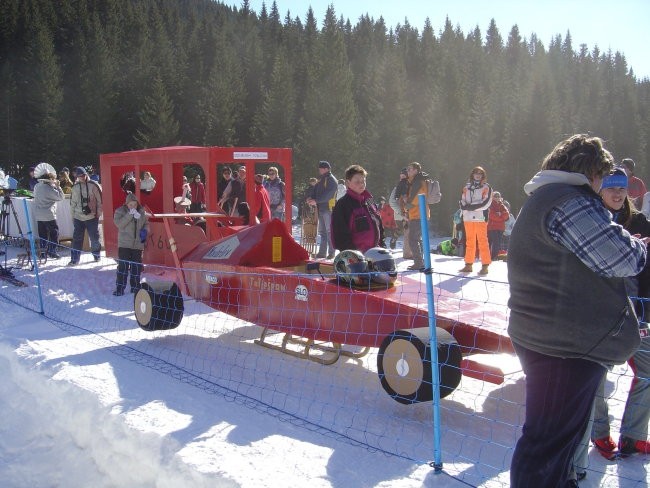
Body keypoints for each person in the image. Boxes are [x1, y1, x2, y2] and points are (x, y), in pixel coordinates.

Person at [507, 134, 647, 488]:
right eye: (602, 176)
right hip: (564, 347)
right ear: (590, 172)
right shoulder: (570, 201)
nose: (603, 185)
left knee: (552, 441)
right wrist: (638, 246)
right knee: (547, 444)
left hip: (548, 338)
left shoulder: (545, 197)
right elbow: (621, 257)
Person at [590, 167, 650, 456]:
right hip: (599, 316)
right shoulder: (591, 220)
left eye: (622, 189)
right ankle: (599, 433)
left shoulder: (639, 221)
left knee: (648, 372)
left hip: (637, 313)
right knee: (596, 376)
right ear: (599, 190)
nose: (617, 193)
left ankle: (633, 435)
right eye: (611, 188)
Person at [331, 164, 385, 253]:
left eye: (363, 181)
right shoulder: (343, 204)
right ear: (348, 183)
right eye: (357, 181)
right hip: (355, 258)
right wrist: (354, 255)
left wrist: (382, 245)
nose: (361, 184)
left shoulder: (369, 200)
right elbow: (340, 234)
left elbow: (379, 224)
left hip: (375, 254)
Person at [112, 192, 149, 296]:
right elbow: (119, 224)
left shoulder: (141, 212)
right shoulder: (120, 211)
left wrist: (145, 231)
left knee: (136, 267)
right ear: (126, 204)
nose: (133, 206)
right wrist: (130, 215)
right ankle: (120, 288)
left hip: (137, 244)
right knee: (123, 266)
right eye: (131, 204)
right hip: (124, 244)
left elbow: (146, 224)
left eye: (135, 204)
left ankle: (135, 286)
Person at [459, 166, 492, 275]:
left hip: (480, 217)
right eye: (475, 173)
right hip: (468, 217)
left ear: (483, 176)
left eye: (480, 173)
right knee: (469, 241)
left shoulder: (486, 187)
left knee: (482, 241)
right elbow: (461, 201)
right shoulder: (466, 188)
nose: (477, 175)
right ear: (472, 175)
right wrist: (467, 208)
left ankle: (485, 265)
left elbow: (486, 203)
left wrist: (470, 207)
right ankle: (468, 264)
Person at [69, 166, 103, 265]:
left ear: (86, 174)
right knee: (77, 238)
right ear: (77, 177)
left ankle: (97, 256)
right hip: (78, 217)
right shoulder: (75, 187)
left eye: (83, 175)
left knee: (94, 237)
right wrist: (72, 216)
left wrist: (98, 214)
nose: (82, 178)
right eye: (80, 176)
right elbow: (72, 203)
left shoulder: (94, 185)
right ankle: (75, 259)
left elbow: (100, 201)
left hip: (92, 216)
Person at [307, 161, 338, 259]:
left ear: (327, 169)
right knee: (322, 232)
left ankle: (332, 252)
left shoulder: (332, 180)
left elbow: (328, 195)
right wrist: (310, 198)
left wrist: (316, 200)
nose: (319, 170)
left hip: (328, 208)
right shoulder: (322, 180)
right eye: (320, 168)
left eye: (321, 168)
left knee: (329, 232)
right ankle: (322, 252)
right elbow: (315, 190)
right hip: (321, 208)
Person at [403, 162, 430, 270]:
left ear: (416, 170)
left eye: (410, 169)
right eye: (408, 169)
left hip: (419, 214)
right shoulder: (414, 181)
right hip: (417, 214)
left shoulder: (418, 181)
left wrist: (407, 205)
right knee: (416, 239)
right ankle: (421, 261)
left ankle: (419, 262)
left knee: (413, 239)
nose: (408, 171)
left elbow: (419, 196)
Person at [33, 168, 64, 259]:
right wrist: (58, 186)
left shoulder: (37, 186)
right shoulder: (49, 188)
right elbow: (61, 197)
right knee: (54, 233)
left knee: (42, 234)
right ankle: (52, 251)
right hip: (49, 214)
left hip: (39, 214)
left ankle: (43, 252)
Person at [389, 168, 410, 258]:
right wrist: (401, 213)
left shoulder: (411, 186)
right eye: (401, 176)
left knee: (408, 232)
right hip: (399, 215)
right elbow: (392, 202)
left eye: (404, 176)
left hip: (408, 214)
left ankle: (410, 252)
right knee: (402, 230)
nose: (402, 178)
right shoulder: (397, 187)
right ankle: (394, 238)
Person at [487, 191, 510, 260]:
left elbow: (507, 214)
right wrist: (501, 217)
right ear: (492, 197)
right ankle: (489, 257)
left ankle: (494, 257)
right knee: (491, 243)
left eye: (498, 196)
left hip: (500, 228)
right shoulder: (490, 205)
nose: (497, 198)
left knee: (497, 243)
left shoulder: (502, 205)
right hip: (492, 227)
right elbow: (491, 215)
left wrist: (499, 215)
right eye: (495, 196)